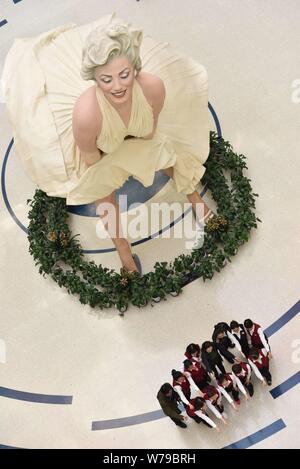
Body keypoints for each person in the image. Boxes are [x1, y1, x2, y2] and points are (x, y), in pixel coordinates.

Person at [2, 13, 213, 273]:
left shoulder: (153, 88)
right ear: (94, 78)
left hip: (141, 135)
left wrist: (140, 153)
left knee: (165, 151)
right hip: (101, 152)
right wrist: (118, 165)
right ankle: (122, 247)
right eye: (106, 79)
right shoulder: (86, 115)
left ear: (135, 68)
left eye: (124, 75)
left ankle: (195, 199)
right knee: (103, 188)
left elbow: (150, 137)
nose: (117, 86)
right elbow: (98, 172)